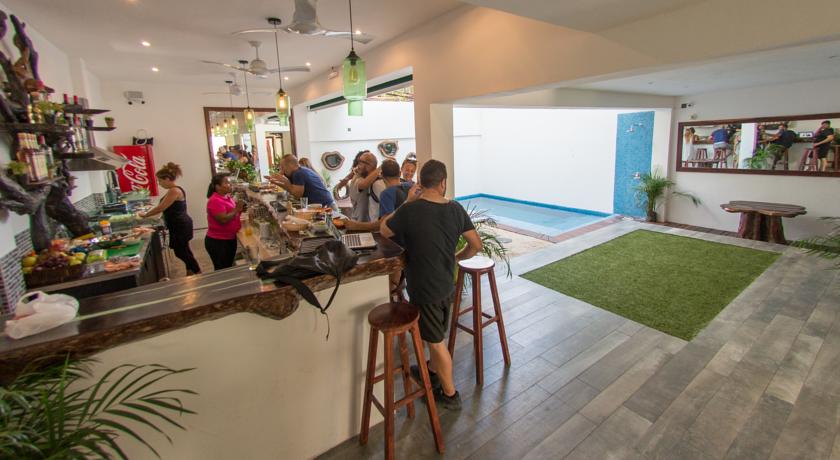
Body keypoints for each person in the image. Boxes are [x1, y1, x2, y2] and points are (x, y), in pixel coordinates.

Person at [380, 159, 483, 410]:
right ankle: (432, 370)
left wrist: (406, 202)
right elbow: (476, 245)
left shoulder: (410, 210)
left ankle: (450, 395)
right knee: (437, 334)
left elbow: (383, 229)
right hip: (447, 283)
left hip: (424, 287)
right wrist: (456, 258)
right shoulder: (455, 209)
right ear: (443, 183)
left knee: (435, 341)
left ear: (420, 183)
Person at [138, 163, 201, 275]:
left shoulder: (174, 191)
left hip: (180, 225)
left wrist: (145, 215)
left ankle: (197, 270)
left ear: (167, 179)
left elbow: (161, 207)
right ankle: (190, 272)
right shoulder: (173, 190)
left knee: (181, 252)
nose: (159, 184)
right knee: (185, 250)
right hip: (178, 224)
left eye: (160, 181)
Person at [205, 174, 244, 270]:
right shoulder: (215, 200)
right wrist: (236, 209)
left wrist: (239, 210)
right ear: (217, 186)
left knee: (228, 266)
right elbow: (223, 219)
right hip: (219, 242)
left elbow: (232, 213)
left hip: (229, 238)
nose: (230, 184)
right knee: (222, 270)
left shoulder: (226, 197)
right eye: (226, 182)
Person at [267, 155, 334, 208]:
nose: (282, 169)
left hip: (326, 206)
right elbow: (292, 189)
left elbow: (297, 195)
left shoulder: (298, 173)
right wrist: (277, 182)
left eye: (282, 166)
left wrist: (286, 182)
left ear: (290, 165)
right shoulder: (300, 171)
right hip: (324, 204)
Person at [334, 151, 380, 222]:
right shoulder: (359, 180)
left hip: (360, 220)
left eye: (361, 162)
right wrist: (381, 167)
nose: (359, 165)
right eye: (359, 162)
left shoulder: (361, 176)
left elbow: (356, 171)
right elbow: (363, 184)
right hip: (361, 223)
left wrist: (346, 178)